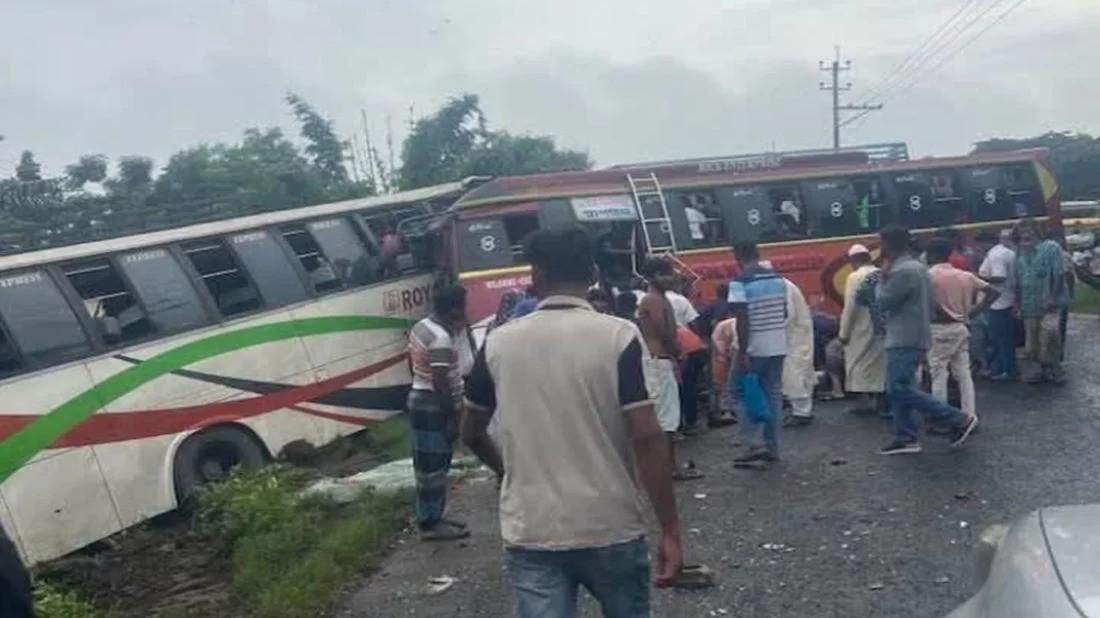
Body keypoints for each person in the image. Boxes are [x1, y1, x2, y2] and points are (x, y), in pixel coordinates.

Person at [462, 228, 683, 617]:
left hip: (532, 528)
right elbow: (647, 435)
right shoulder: (618, 336)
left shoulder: (497, 343)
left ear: (536, 276)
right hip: (611, 523)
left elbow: (471, 431)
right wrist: (670, 531)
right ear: (592, 272)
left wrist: (507, 472)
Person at [875, 225, 978, 455]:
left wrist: (881, 278)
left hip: (902, 336)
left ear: (889, 245)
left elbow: (883, 301)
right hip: (917, 333)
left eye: (882, 243)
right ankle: (906, 436)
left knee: (898, 388)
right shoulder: (919, 268)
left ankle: (958, 418)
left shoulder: (902, 271)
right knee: (904, 386)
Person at [406, 285, 470, 540]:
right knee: (435, 466)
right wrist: (452, 419)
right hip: (433, 404)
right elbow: (441, 382)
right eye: (463, 307)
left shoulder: (422, 326)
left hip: (420, 397)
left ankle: (432, 515)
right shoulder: (441, 339)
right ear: (454, 310)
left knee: (427, 464)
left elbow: (414, 364)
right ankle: (430, 524)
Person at [638, 259, 701, 481]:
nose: (670, 278)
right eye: (664, 274)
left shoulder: (659, 298)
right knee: (667, 420)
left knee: (668, 419)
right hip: (660, 362)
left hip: (661, 361)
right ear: (651, 277)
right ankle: (670, 468)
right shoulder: (653, 300)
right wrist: (677, 352)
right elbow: (664, 331)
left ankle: (669, 466)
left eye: (670, 274)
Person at [925, 237, 1000, 421]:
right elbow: (993, 292)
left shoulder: (927, 277)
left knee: (939, 374)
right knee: (963, 374)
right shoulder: (965, 276)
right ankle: (969, 414)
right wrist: (972, 313)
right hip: (961, 326)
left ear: (931, 255)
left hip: (938, 328)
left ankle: (942, 416)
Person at [728, 243, 787, 465]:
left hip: (755, 347)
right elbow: (784, 312)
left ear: (738, 258)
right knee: (772, 394)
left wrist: (743, 350)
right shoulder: (778, 279)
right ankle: (773, 448)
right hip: (778, 344)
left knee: (737, 392)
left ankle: (755, 444)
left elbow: (742, 319)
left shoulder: (740, 282)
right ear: (757, 255)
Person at [1014, 219, 1065, 384]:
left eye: (1028, 231)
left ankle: (1056, 371)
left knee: (1050, 337)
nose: (1025, 235)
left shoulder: (1051, 248)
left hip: (1049, 304)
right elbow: (1018, 281)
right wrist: (1017, 303)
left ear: (1037, 231)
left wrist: (1053, 298)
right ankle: (1041, 370)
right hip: (1029, 305)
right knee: (1032, 344)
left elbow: (1059, 274)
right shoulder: (1019, 252)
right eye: (1022, 232)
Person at [838, 244, 885, 414]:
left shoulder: (854, 277)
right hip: (881, 327)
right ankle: (881, 402)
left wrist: (844, 333)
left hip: (861, 327)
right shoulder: (880, 273)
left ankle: (863, 403)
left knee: (858, 364)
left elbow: (850, 308)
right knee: (879, 365)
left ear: (853, 260)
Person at [978, 228, 1018, 381]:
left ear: (986, 242)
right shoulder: (1006, 252)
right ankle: (1003, 367)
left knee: (1001, 340)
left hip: (999, 303)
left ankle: (1007, 370)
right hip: (1007, 299)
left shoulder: (996, 256)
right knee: (1005, 339)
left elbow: (1000, 277)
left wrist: (978, 279)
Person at [781, 278, 816, 428]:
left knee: (794, 373)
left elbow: (787, 314)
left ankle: (801, 412)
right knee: (800, 370)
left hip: (793, 336)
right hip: (798, 333)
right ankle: (803, 410)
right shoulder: (787, 284)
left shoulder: (782, 286)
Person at [710, 315, 740, 426]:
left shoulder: (730, 326)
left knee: (728, 379)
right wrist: (725, 355)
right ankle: (724, 410)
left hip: (731, 346)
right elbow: (720, 349)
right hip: (723, 347)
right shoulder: (724, 328)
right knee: (721, 379)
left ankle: (727, 409)